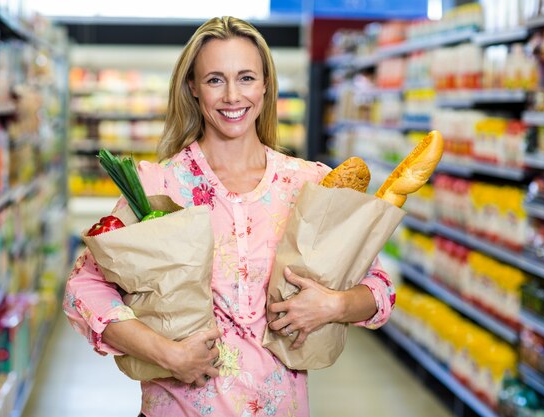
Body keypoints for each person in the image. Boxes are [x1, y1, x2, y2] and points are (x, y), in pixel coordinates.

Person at [63, 16, 395, 417]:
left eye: (247, 78)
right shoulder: (160, 185)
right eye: (215, 80)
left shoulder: (310, 184)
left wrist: (334, 306)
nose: (233, 96)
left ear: (266, 84)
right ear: (193, 88)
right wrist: (167, 354)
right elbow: (84, 287)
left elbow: (377, 287)